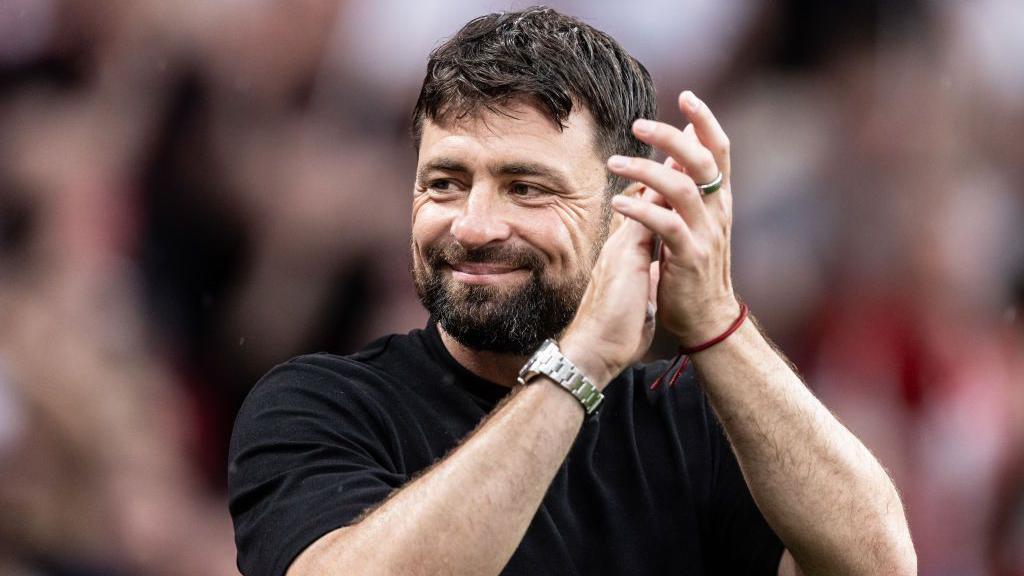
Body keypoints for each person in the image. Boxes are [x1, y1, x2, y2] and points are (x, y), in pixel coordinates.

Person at [227, 7, 916, 576]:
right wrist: (579, 361)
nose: (474, 225)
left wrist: (713, 316)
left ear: (629, 208)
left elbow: (877, 565)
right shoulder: (317, 406)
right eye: (444, 183)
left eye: (526, 187)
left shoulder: (693, 425)